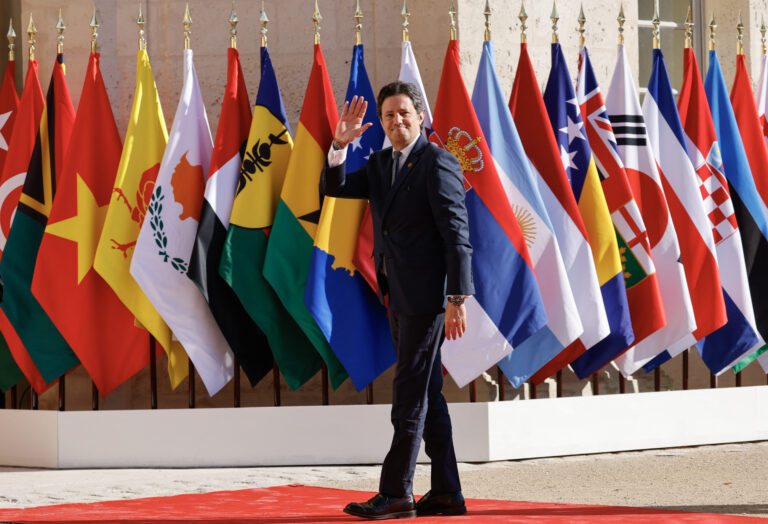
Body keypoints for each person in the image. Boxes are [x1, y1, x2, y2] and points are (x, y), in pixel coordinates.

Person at [320, 81, 474, 519]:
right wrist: (338, 144)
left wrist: (456, 297)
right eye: (388, 116)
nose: (396, 121)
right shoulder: (380, 163)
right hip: (397, 296)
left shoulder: (438, 162)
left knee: (409, 393)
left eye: (404, 113)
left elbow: (456, 235)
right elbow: (335, 188)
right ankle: (447, 492)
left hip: (427, 299)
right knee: (428, 392)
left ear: (420, 117)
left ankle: (396, 492)